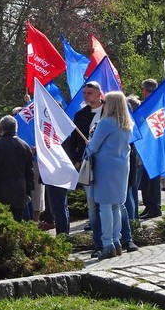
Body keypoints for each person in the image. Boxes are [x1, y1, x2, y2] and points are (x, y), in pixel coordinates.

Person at [85, 91, 134, 260]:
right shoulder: (127, 124)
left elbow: (93, 148)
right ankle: (116, 240)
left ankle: (107, 244)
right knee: (116, 205)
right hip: (121, 168)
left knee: (105, 206)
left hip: (105, 169)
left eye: (105, 101)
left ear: (111, 104)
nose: (103, 104)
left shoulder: (106, 123)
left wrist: (89, 142)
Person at [63, 81, 103, 244]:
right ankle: (97, 240)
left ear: (99, 93)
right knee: (92, 204)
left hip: (107, 164)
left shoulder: (109, 111)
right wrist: (76, 161)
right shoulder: (80, 115)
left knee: (112, 204)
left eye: (90, 93)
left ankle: (121, 237)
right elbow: (73, 141)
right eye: (85, 94)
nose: (86, 96)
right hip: (87, 164)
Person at [0, 115, 34, 221]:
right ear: (16, 128)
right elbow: (30, 172)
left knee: (0, 228)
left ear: (1, 130)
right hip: (20, 193)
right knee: (17, 227)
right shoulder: (25, 146)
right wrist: (28, 192)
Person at [138, 78, 162, 220]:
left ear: (145, 90)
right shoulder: (153, 104)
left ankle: (154, 207)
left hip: (153, 148)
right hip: (148, 148)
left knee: (152, 180)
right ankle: (149, 206)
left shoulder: (153, 105)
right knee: (146, 181)